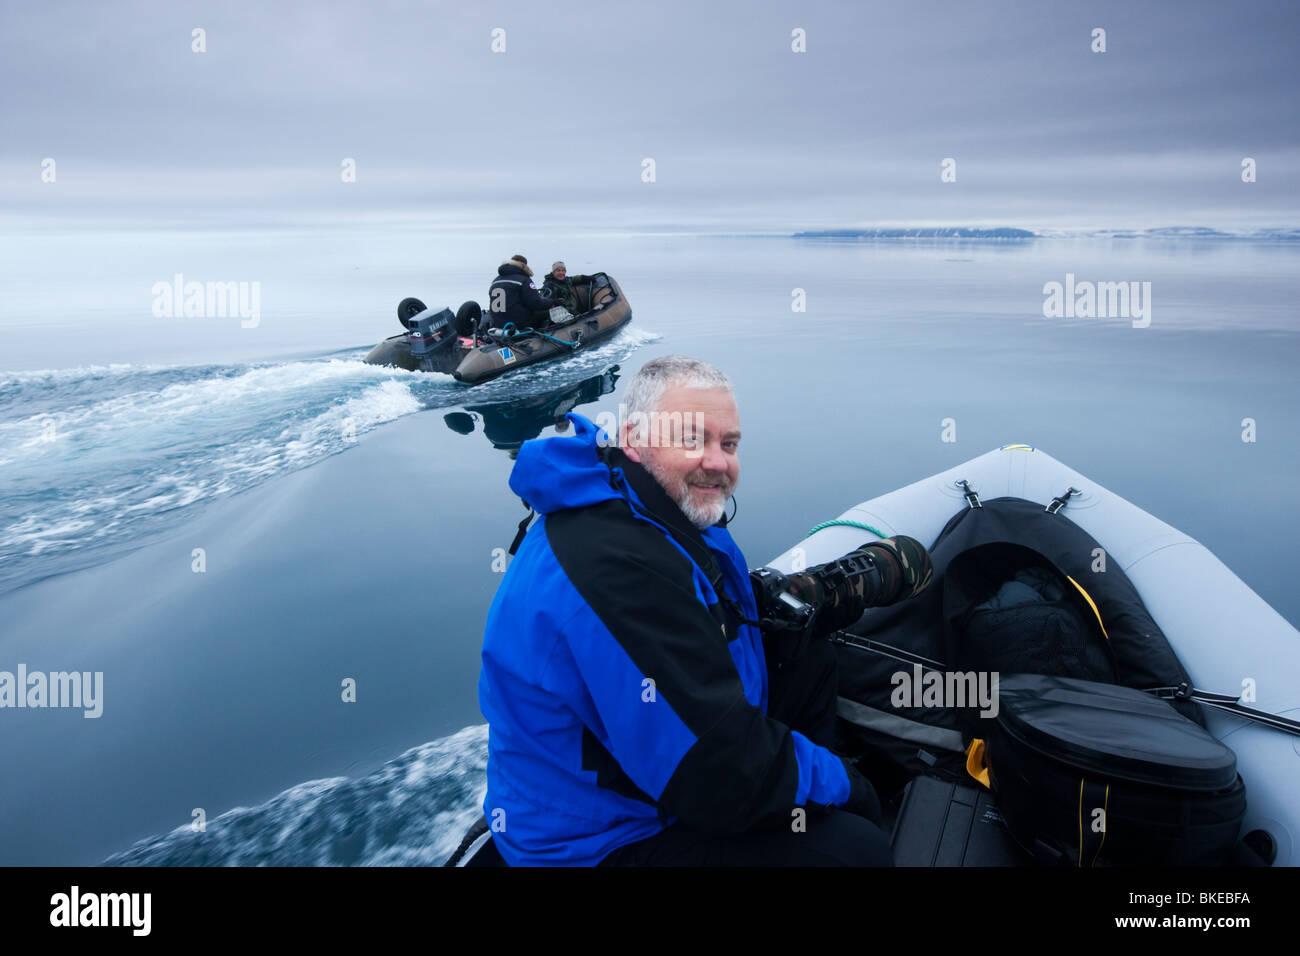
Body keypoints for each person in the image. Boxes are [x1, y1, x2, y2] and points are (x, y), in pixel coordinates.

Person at [477, 355, 932, 866]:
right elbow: (718, 772)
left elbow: (713, 611)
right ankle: (819, 809)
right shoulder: (615, 566)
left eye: (728, 444)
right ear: (633, 438)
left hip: (638, 763)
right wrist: (850, 788)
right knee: (857, 850)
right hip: (601, 835)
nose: (717, 461)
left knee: (809, 658)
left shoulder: (636, 497)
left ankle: (804, 805)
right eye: (692, 439)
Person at [486, 255, 556, 332]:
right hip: (518, 324)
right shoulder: (523, 280)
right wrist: (553, 302)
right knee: (550, 312)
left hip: (498, 323)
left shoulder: (496, 280)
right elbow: (535, 303)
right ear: (524, 265)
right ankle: (543, 336)